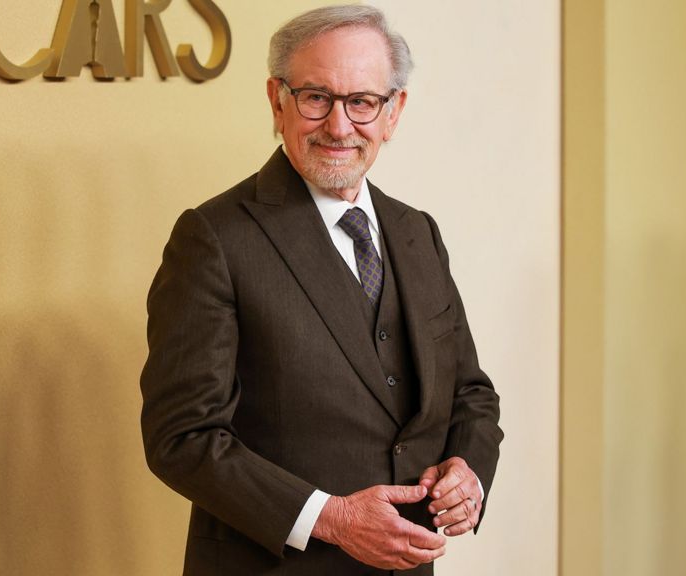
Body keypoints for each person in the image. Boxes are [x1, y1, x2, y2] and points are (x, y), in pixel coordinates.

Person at [140, 5, 502, 575]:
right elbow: (181, 438)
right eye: (316, 97)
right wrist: (332, 519)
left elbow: (470, 394)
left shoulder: (418, 233)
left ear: (393, 111)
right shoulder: (212, 238)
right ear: (277, 100)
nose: (339, 126)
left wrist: (469, 469)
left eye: (361, 102)